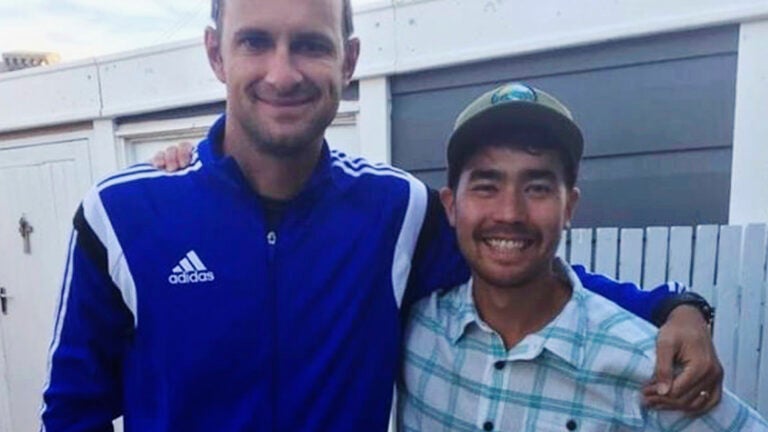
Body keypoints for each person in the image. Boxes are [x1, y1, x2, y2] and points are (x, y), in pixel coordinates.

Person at [41, 0, 721, 431]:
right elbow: (73, 412)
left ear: (350, 59)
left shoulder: (395, 211)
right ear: (217, 52)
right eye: (256, 42)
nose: (283, 73)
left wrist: (675, 307)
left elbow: (517, 262)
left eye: (311, 45)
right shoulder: (122, 215)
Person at [397, 82, 767, 431]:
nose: (509, 213)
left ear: (569, 207)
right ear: (450, 206)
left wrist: (683, 307)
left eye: (537, 188)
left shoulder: (647, 367)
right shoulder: (414, 329)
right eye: (486, 187)